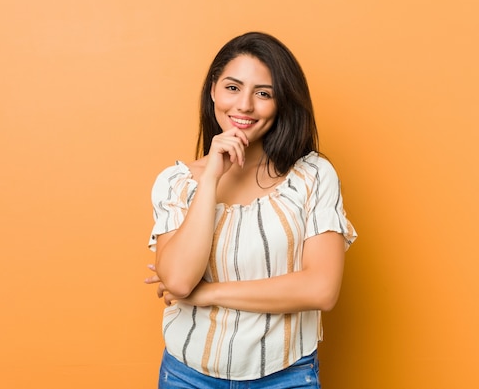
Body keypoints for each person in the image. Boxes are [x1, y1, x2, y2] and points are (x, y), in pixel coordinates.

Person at [144, 31, 357, 388]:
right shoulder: (176, 182)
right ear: (213, 89)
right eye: (232, 87)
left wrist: (208, 293)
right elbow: (179, 280)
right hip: (186, 375)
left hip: (285, 376)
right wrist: (211, 178)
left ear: (282, 103)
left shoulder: (313, 176)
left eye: (263, 94)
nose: (244, 105)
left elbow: (321, 289)